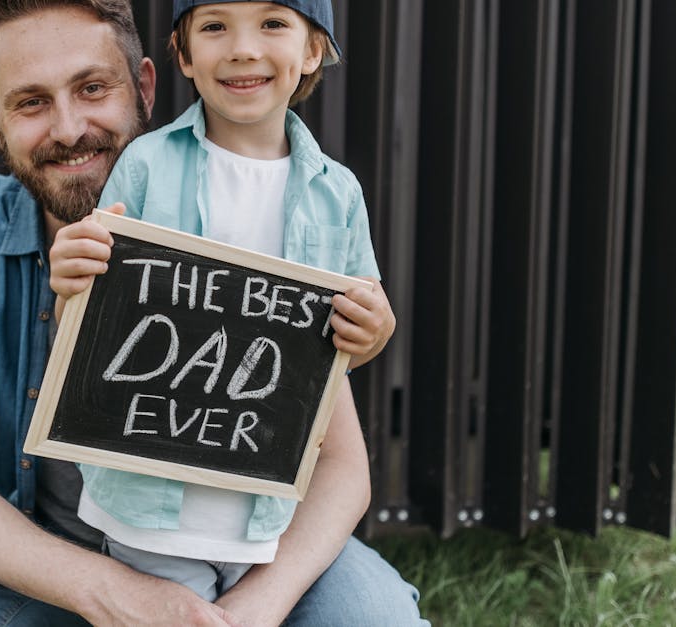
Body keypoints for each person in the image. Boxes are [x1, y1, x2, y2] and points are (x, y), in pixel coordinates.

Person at [0, 0, 424, 624]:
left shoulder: (249, 215)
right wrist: (115, 594)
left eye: (93, 88)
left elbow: (342, 464)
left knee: (374, 614)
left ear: (146, 86)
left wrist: (250, 609)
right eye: (31, 102)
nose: (69, 128)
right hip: (46, 557)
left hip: (246, 552)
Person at [47, 0, 409, 609]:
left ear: (314, 49)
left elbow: (344, 343)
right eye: (215, 27)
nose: (242, 48)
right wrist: (72, 285)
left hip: (264, 505)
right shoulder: (146, 165)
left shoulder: (337, 192)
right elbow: (90, 330)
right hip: (147, 506)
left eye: (273, 24)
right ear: (183, 56)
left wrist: (371, 334)